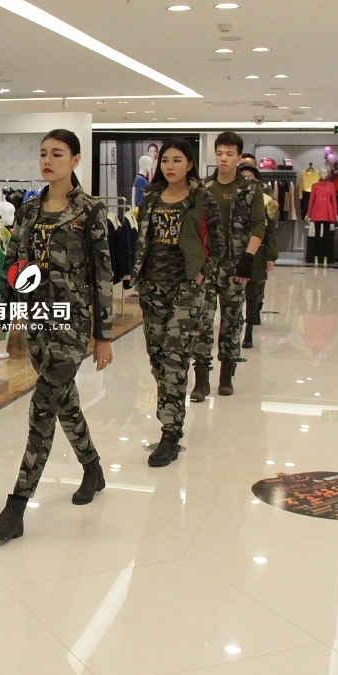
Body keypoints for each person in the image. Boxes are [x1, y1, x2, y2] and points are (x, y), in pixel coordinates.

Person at [0, 129, 114, 540]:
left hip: (72, 324)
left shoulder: (90, 211)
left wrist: (103, 334)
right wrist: (0, 320)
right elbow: (13, 265)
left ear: (75, 160)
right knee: (64, 401)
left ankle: (16, 507)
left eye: (57, 154)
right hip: (36, 321)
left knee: (42, 408)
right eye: (43, 154)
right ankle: (92, 467)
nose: (47, 161)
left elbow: (102, 275)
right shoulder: (28, 210)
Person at [133, 139, 223, 466]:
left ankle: (170, 432)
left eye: (177, 160)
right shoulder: (151, 197)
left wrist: (200, 276)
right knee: (158, 359)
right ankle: (168, 416)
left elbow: (219, 244)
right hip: (152, 288)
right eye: (166, 161)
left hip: (186, 290)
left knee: (175, 357)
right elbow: (143, 240)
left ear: (190, 164)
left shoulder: (202, 198)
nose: (170, 166)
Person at [191, 131, 266, 398]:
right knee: (202, 322)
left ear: (239, 157)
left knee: (232, 322)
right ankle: (201, 379)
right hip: (207, 266)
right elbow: (194, 226)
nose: (223, 158)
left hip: (236, 267)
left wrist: (248, 258)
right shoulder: (203, 187)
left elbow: (259, 224)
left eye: (229, 154)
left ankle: (226, 376)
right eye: (220, 153)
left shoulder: (250, 188)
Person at [236, 163, 279, 349]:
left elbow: (271, 231)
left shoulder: (267, 199)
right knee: (234, 293)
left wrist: (271, 255)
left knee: (253, 293)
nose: (247, 181)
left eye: (250, 177)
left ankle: (249, 329)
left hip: (258, 252)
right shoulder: (233, 197)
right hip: (235, 252)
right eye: (243, 177)